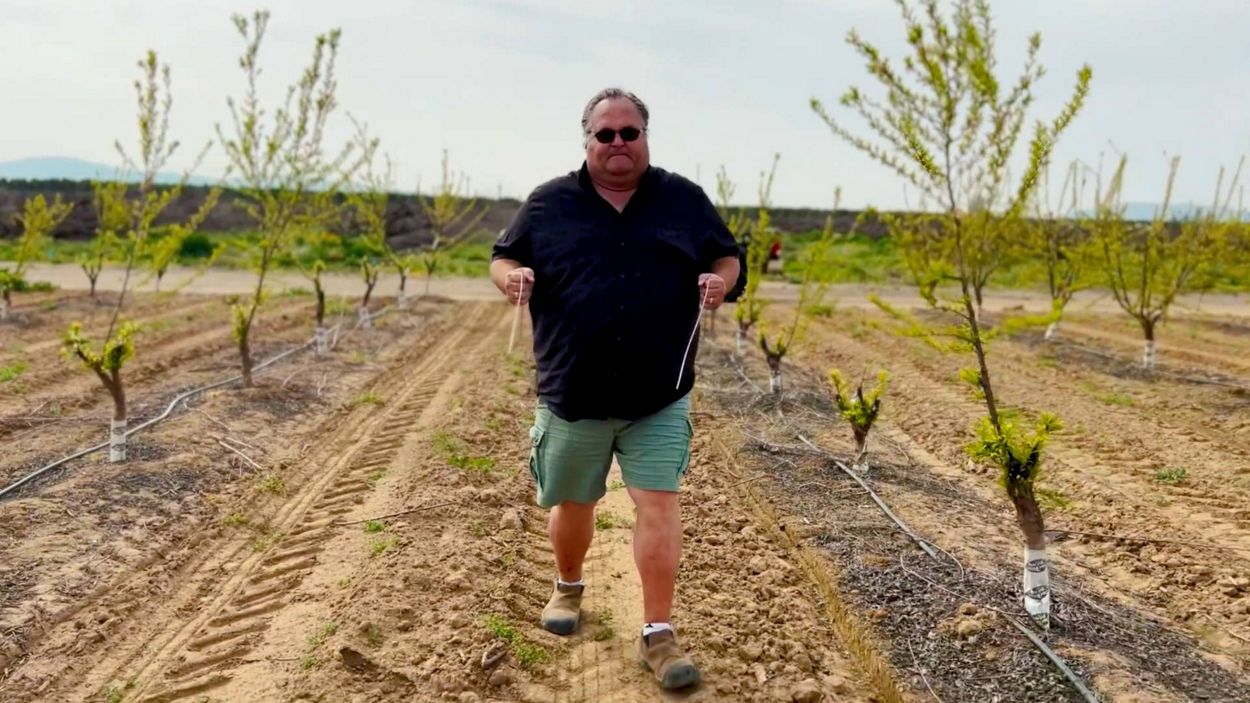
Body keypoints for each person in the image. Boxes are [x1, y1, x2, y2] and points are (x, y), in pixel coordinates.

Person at [490, 87, 739, 691]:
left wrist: (719, 282)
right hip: (574, 389)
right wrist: (512, 278)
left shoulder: (684, 199)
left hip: (660, 392)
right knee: (574, 503)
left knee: (659, 503)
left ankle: (658, 633)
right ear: (588, 141)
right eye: (606, 134)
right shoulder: (548, 203)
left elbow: (727, 256)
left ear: (645, 137)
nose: (618, 142)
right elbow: (503, 257)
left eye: (630, 132)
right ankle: (568, 586)